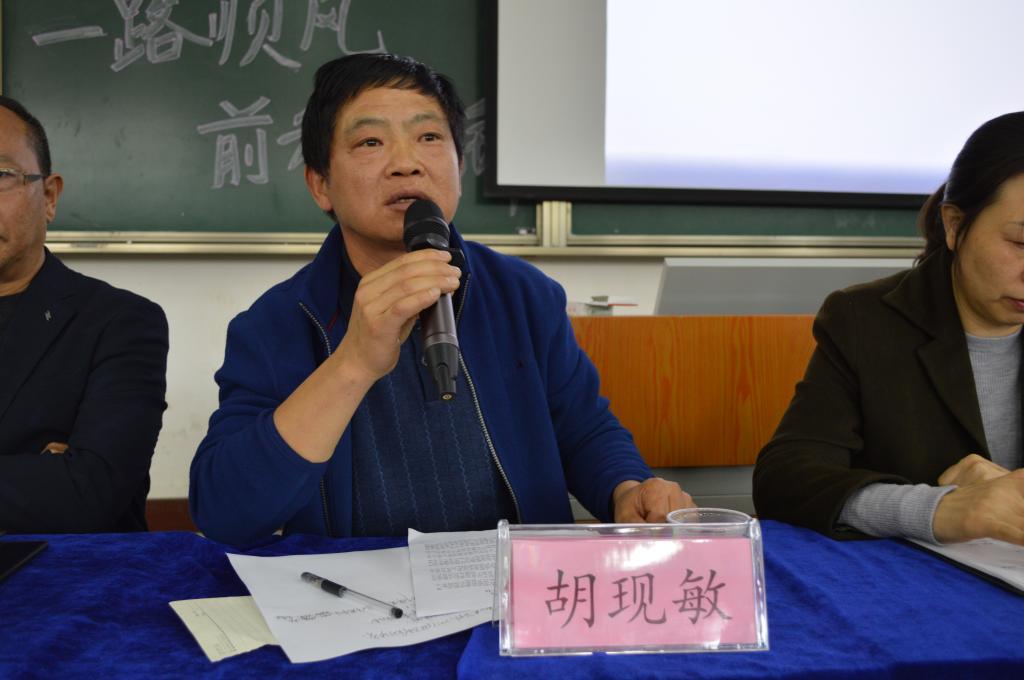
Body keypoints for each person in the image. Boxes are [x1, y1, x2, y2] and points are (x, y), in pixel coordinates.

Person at [189, 54, 693, 546]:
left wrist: (627, 488)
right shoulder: (274, 324)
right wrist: (352, 364)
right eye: (370, 141)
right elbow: (225, 513)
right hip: (358, 589)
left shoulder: (524, 295)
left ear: (458, 164)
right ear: (321, 185)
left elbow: (583, 430)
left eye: (429, 137)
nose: (406, 164)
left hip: (513, 582)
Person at [754, 111, 1024, 546]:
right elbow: (785, 480)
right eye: (1020, 244)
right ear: (954, 224)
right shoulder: (865, 320)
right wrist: (937, 508)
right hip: (917, 572)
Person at [0, 96, 169, 533]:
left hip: (71, 571)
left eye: (1, 176)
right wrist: (36, 471)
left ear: (49, 196)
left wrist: (68, 479)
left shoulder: (122, 323)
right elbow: (52, 491)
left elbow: (90, 493)